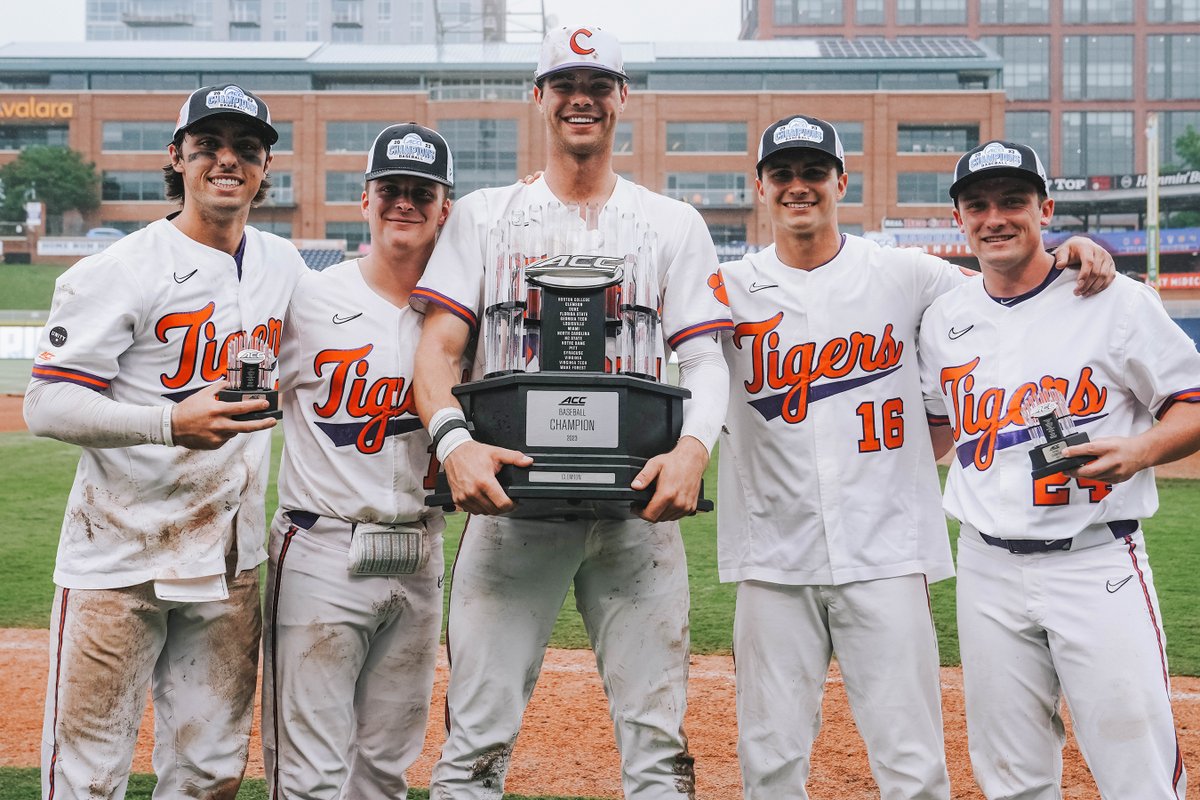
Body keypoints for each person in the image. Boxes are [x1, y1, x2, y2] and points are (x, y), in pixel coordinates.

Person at [717, 116, 1115, 799]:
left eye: (814, 172)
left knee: (912, 763)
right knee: (770, 758)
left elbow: (1009, 276)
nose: (799, 186)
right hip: (771, 556)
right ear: (760, 187)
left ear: (842, 181)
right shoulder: (723, 289)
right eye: (782, 174)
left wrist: (1069, 249)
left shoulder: (906, 275)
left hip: (889, 553)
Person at [410, 25, 733, 799]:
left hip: (636, 514)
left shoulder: (671, 222)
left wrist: (692, 450)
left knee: (658, 749)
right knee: (475, 745)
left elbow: (704, 358)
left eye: (597, 85)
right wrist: (454, 443)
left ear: (623, 98)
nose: (580, 98)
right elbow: (437, 350)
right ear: (540, 97)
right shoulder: (484, 216)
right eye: (564, 85)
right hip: (510, 511)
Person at [23, 84, 306, 799]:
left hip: (229, 563)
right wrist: (168, 422)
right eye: (208, 145)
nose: (226, 160)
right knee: (88, 774)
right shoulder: (119, 268)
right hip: (118, 559)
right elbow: (47, 402)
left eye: (246, 149)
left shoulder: (284, 265)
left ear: (265, 168)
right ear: (176, 158)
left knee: (209, 771)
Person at [919, 140, 1198, 799]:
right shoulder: (943, 319)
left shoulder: (1113, 298)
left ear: (1045, 209)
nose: (995, 217)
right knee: (1011, 775)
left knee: (1137, 770)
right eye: (977, 204)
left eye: (1013, 201)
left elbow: (1191, 400)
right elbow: (935, 427)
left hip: (1095, 559)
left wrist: (1141, 450)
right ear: (958, 219)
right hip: (986, 568)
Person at [261, 122, 456, 799]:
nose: (405, 203)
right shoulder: (309, 301)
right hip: (323, 548)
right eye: (391, 190)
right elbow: (244, 396)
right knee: (311, 774)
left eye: (420, 192)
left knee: (385, 766)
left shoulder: (465, 315)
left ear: (445, 208)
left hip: (422, 553)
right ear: (364, 201)